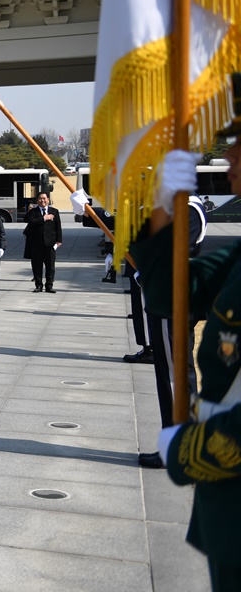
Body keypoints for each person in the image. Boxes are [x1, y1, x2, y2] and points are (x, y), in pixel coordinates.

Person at [130, 80, 241, 591]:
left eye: (240, 144)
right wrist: (161, 204)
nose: (231, 157)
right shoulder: (238, 260)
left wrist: (190, 448)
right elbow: (171, 292)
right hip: (227, 512)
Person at [23, 191, 62, 293]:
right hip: (36, 243)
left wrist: (59, 240)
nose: (42, 200)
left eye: (44, 198)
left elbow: (58, 227)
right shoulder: (33, 212)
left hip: (50, 243)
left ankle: (49, 285)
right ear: (37, 200)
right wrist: (43, 218)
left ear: (48, 200)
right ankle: (38, 285)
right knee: (37, 265)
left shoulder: (54, 211)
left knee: (50, 266)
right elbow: (30, 222)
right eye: (40, 198)